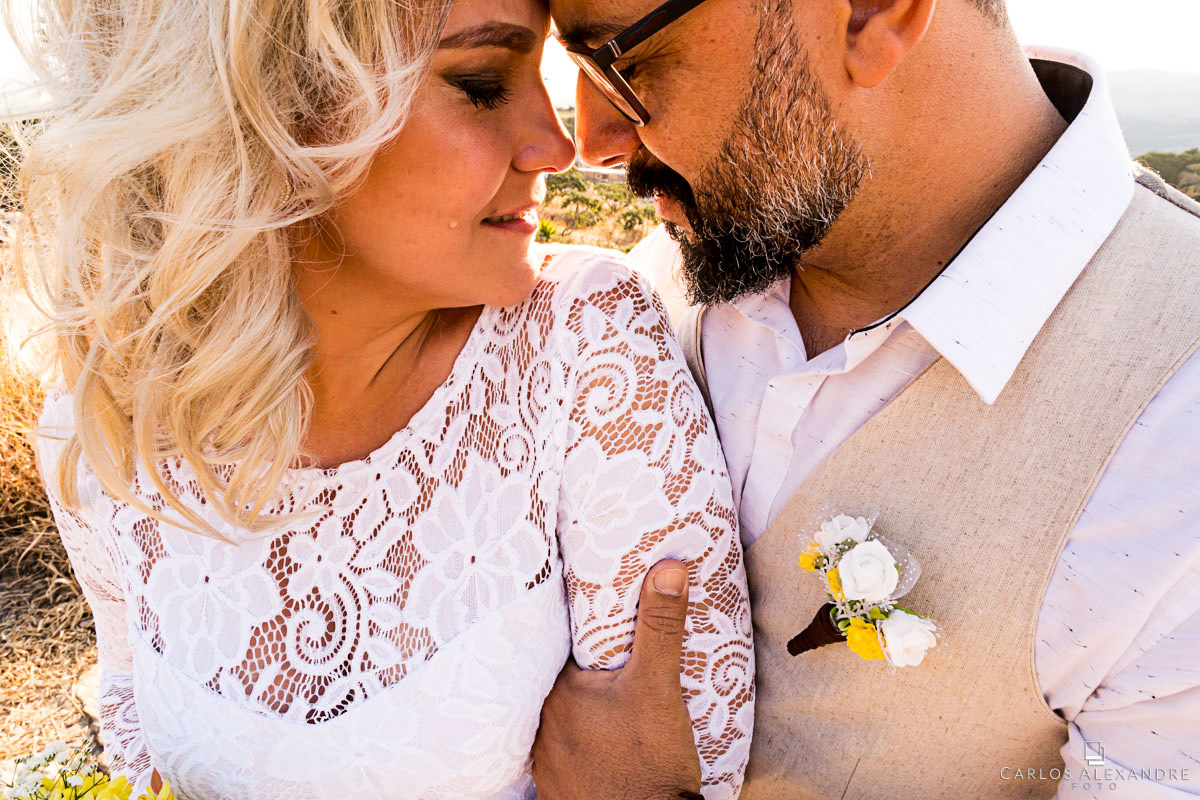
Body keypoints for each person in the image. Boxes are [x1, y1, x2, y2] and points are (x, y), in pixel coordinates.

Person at [10, 0, 755, 796]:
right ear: (271, 117)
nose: (558, 145)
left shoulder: (581, 349)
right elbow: (131, 707)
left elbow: (687, 767)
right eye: (479, 83)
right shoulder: (101, 417)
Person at [535, 0, 1200, 797]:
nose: (593, 145)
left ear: (871, 12)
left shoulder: (1178, 441)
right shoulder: (643, 286)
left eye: (623, 62)